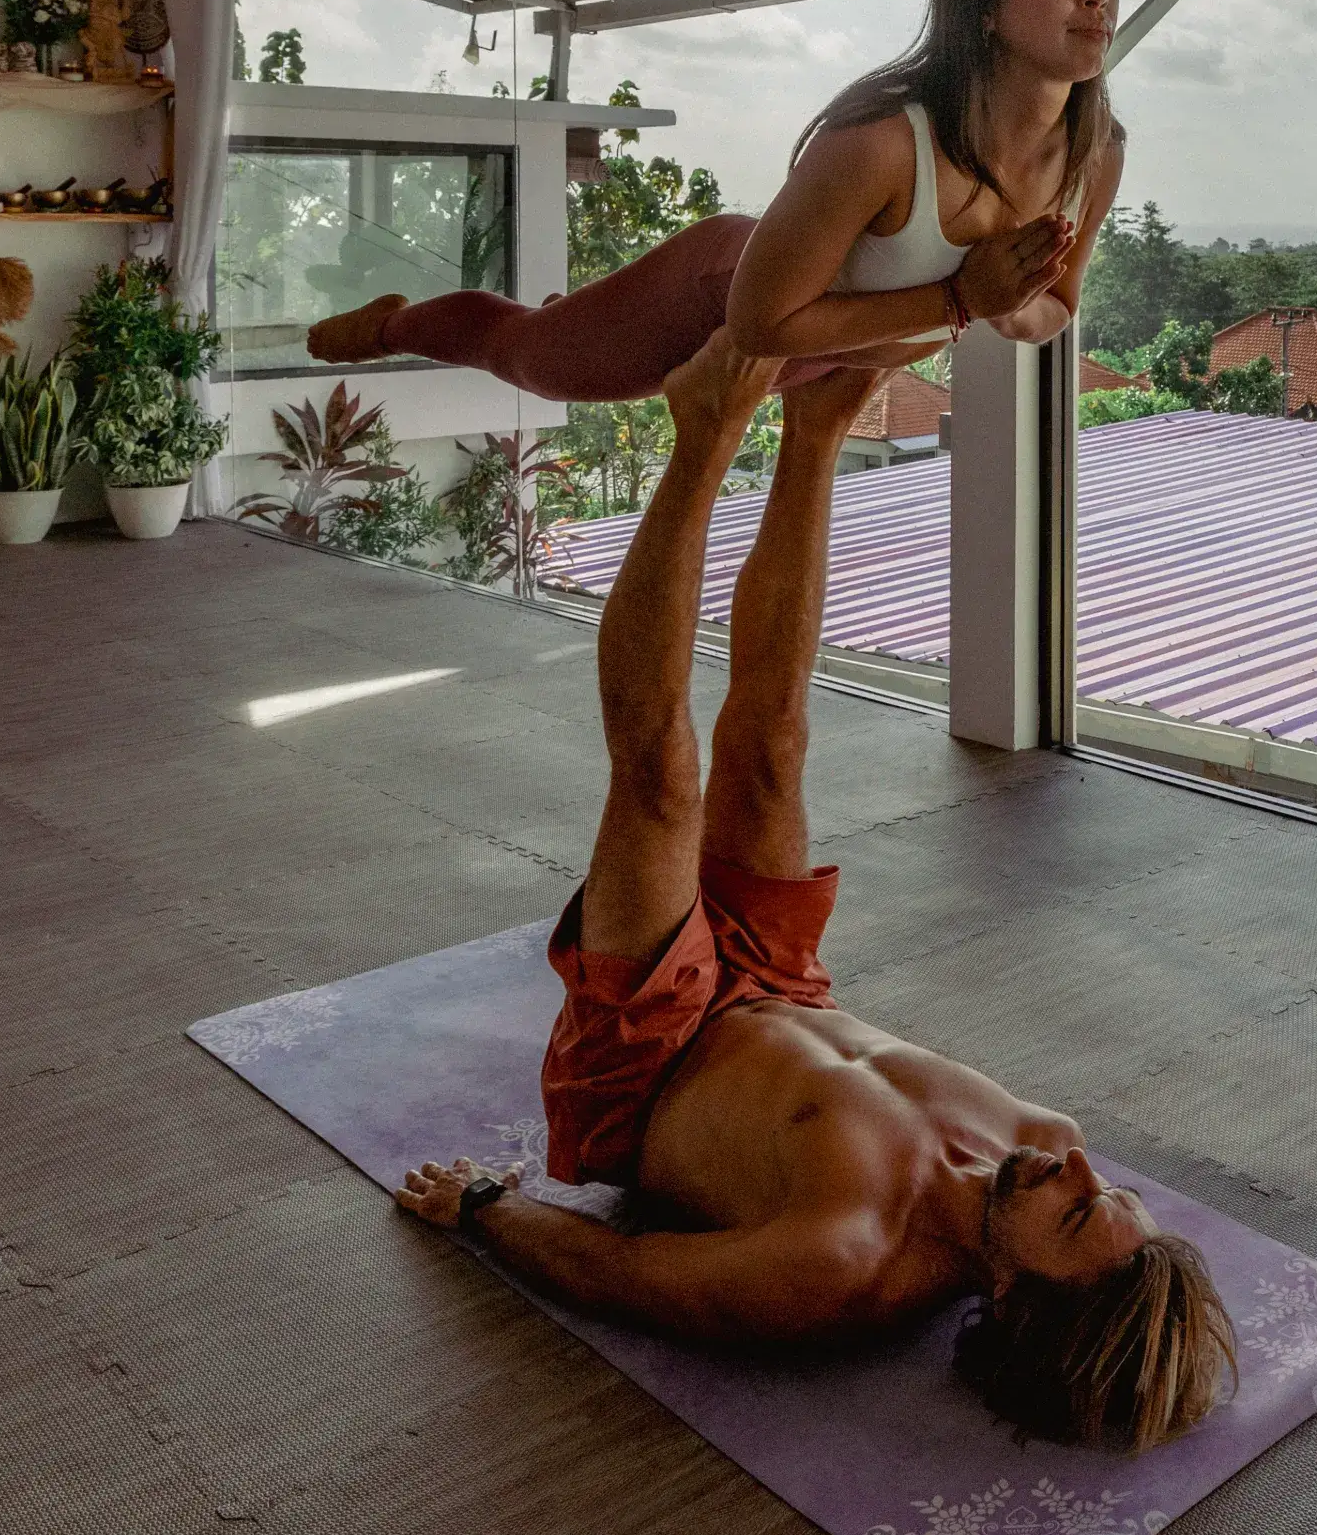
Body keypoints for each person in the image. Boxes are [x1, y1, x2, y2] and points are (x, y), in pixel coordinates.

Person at [392, 335, 1237, 1449]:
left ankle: (704, 432)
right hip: (783, 979)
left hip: (647, 1062)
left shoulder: (837, 1263)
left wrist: (484, 1209)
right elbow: (928, 1094)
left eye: (1074, 1206)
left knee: (659, 783)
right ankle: (819, 427)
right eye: (1104, 1183)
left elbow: (629, 1272)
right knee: (778, 738)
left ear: (1018, 1299)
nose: (1074, 1159)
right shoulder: (1041, 1131)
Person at [301, 0, 1125, 407]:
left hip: (833, 348)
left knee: (566, 337)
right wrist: (957, 302)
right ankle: (393, 326)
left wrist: (1003, 303)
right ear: (983, 1)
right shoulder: (880, 142)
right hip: (723, 297)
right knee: (527, 356)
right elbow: (761, 323)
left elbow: (1055, 306)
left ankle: (578, 310)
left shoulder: (1098, 153)